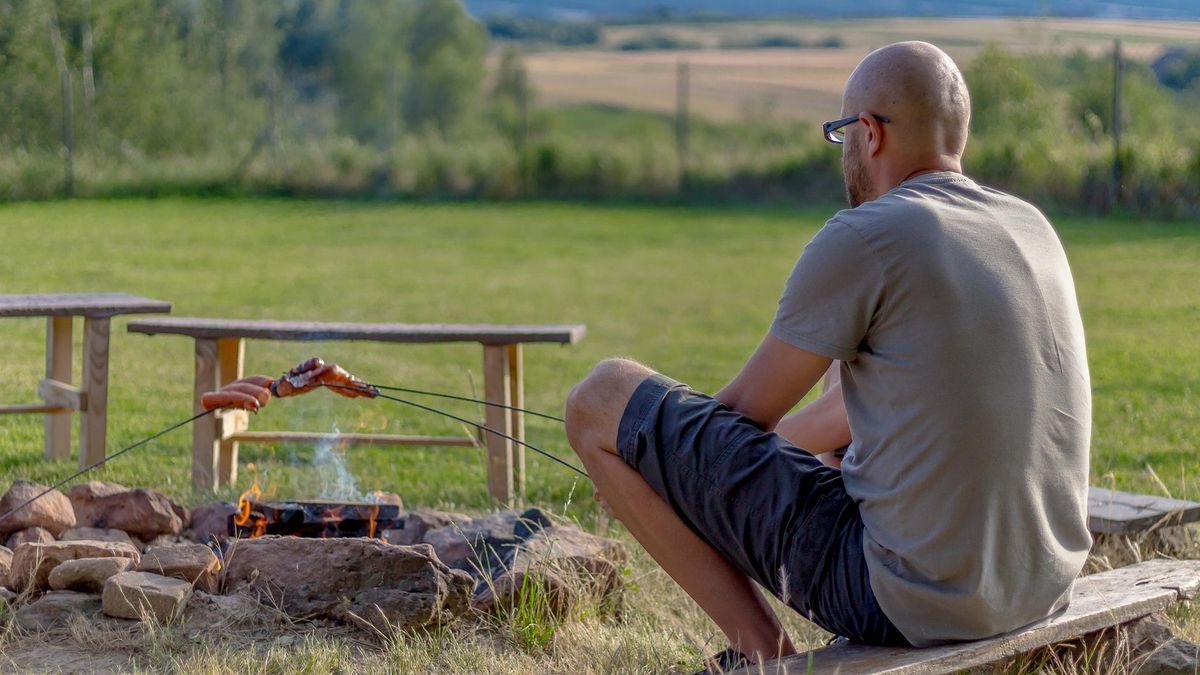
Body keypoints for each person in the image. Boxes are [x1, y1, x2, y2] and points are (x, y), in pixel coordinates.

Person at [562, 41, 1092, 669]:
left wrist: (653, 465)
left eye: (841, 132)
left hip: (914, 600)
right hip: (1042, 585)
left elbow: (740, 418)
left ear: (868, 133)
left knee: (602, 398)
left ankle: (762, 656)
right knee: (844, 368)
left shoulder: (867, 235)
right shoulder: (1030, 224)